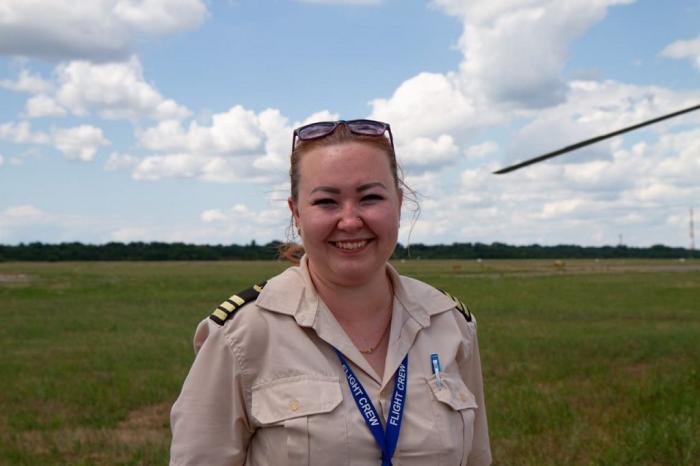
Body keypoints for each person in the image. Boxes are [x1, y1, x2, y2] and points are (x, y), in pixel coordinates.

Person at [170, 119, 491, 465]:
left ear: (398, 205)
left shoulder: (449, 323)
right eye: (326, 201)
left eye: (370, 198)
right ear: (296, 214)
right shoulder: (240, 335)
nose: (350, 221)